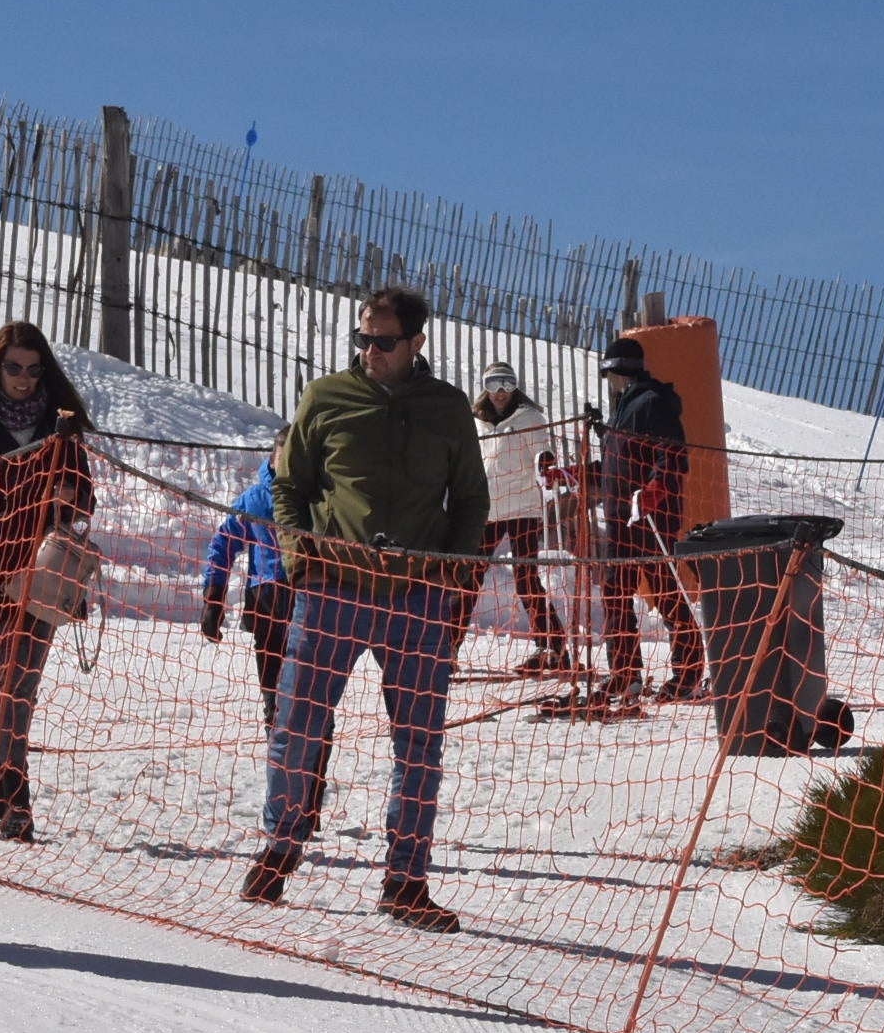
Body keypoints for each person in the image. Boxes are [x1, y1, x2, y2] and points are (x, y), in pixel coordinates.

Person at [244, 285, 489, 933]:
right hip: (331, 593)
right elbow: (288, 487)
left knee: (420, 746)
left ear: (416, 343)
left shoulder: (448, 408)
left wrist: (455, 580)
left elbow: (470, 501)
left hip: (417, 600)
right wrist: (301, 560)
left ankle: (406, 881)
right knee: (297, 723)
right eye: (363, 339)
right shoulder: (325, 398)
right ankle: (281, 844)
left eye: (383, 341)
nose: (370, 351)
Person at [0, 321, 95, 843]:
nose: (24, 378)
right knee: (11, 680)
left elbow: (86, 497)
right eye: (13, 368)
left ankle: (6, 795)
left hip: (47, 571)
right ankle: (13, 798)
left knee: (18, 685)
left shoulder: (61, 424)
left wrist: (70, 496)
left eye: (33, 369)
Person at [588, 335, 705, 712]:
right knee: (614, 591)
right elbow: (616, 466)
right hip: (620, 517)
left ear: (615, 371)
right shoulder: (622, 409)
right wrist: (576, 474)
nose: (608, 382)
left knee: (663, 590)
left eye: (608, 374)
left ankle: (687, 673)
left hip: (650, 515)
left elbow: (671, 456)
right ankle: (625, 672)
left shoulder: (652, 403)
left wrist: (654, 490)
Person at [473, 361, 570, 677]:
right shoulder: (478, 422)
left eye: (506, 383)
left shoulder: (530, 418)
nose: (500, 392)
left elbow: (542, 454)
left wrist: (546, 463)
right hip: (489, 509)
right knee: (469, 576)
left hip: (523, 510)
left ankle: (553, 648)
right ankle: (446, 648)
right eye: (493, 384)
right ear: (485, 389)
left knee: (525, 577)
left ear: (515, 387)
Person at [201, 453, 295, 726]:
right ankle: (274, 720)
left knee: (311, 692)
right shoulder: (254, 499)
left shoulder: (317, 495)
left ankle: (314, 743)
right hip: (267, 598)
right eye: (285, 458)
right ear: (273, 459)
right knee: (275, 693)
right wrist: (214, 597)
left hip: (310, 596)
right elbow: (223, 544)